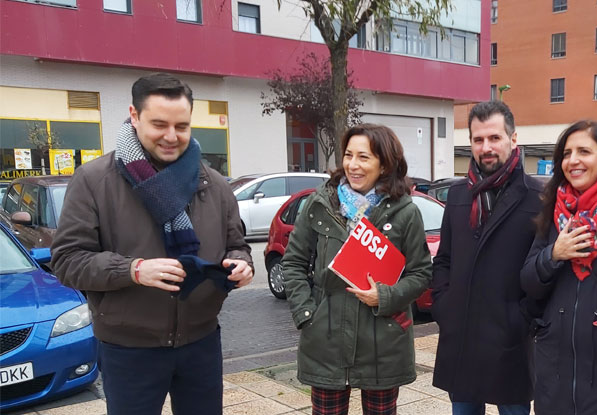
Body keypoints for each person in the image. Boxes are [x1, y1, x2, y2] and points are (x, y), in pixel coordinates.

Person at [51, 73, 254, 415]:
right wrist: (133, 270)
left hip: (201, 342)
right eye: (159, 124)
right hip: (128, 348)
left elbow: (237, 244)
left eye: (182, 126)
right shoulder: (94, 181)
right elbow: (68, 261)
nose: (172, 137)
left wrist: (241, 263)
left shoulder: (215, 184)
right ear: (134, 115)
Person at [281, 123, 432, 415]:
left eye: (364, 157)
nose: (353, 165)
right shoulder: (320, 203)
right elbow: (294, 262)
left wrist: (385, 296)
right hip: (325, 339)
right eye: (349, 155)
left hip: (383, 342)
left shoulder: (405, 211)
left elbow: (421, 273)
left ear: (385, 163)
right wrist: (306, 314)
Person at [520, 120, 597, 414]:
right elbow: (528, 282)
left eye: (584, 151)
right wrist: (554, 255)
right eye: (566, 153)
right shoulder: (553, 211)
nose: (572, 160)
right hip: (555, 371)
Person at [431, 100, 543, 415]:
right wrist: (444, 305)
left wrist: (521, 319)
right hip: (462, 340)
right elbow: (444, 260)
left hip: (510, 343)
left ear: (513, 139)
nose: (486, 147)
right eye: (478, 140)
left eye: (494, 138)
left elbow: (542, 269)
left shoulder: (537, 198)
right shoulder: (457, 195)